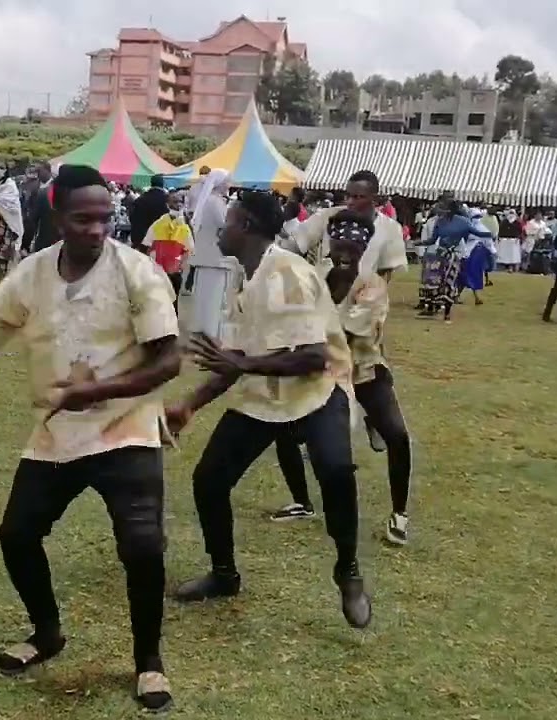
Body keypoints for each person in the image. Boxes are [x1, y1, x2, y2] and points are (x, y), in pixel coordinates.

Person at [0, 165, 181, 713]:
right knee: (17, 534)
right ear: (56, 217)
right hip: (59, 433)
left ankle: (148, 662)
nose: (98, 229)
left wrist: (99, 390)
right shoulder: (32, 274)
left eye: (106, 218)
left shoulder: (138, 272)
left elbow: (169, 360)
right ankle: (47, 633)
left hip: (126, 429)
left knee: (143, 547)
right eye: (84, 218)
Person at [167, 190, 370, 631]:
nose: (222, 228)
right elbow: (236, 360)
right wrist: (189, 405)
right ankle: (223, 575)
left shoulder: (288, 275)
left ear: (248, 228)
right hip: (265, 396)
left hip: (317, 391)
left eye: (230, 221)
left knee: (335, 470)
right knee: (209, 481)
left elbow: (313, 356)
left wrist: (243, 364)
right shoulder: (249, 277)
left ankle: (348, 571)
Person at [273, 210, 415, 543]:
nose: (347, 251)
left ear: (365, 247)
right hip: (321, 369)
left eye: (356, 245)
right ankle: (302, 502)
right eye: (341, 244)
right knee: (282, 428)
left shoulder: (373, 286)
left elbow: (344, 333)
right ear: (329, 245)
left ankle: (400, 514)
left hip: (363, 369)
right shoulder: (313, 276)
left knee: (397, 436)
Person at [418, 195, 492, 322]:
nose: (440, 210)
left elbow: (477, 233)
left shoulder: (461, 221)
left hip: (453, 256)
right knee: (438, 283)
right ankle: (434, 308)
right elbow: (433, 239)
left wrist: (490, 235)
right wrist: (420, 243)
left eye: (443, 208)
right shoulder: (441, 222)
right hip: (440, 255)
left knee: (449, 283)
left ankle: (446, 312)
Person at [186, 168, 234, 338]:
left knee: (205, 296)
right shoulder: (215, 202)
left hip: (209, 256)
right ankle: (209, 332)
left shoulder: (212, 201)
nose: (230, 184)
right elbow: (225, 225)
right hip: (214, 257)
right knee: (212, 298)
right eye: (228, 180)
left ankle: (204, 329)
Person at [141, 189, 193, 306]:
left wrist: (181, 265)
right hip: (158, 271)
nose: (178, 205)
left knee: (173, 303)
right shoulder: (158, 225)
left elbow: (188, 249)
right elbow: (146, 246)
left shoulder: (183, 227)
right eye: (174, 202)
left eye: (180, 202)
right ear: (167, 204)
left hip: (175, 271)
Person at [455, 209, 494, 306]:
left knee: (474, 275)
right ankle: (459, 295)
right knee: (465, 275)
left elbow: (489, 243)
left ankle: (475, 297)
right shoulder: (467, 228)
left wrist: (492, 252)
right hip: (468, 254)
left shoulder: (480, 229)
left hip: (476, 254)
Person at [21, 162, 57, 254]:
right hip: (37, 230)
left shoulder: (57, 187)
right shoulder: (34, 187)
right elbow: (31, 213)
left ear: (48, 171)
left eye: (40, 171)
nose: (38, 174)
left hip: (53, 231)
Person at [129, 174, 170, 251]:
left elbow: (132, 217)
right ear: (163, 184)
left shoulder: (140, 200)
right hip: (160, 239)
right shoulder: (167, 201)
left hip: (141, 239)